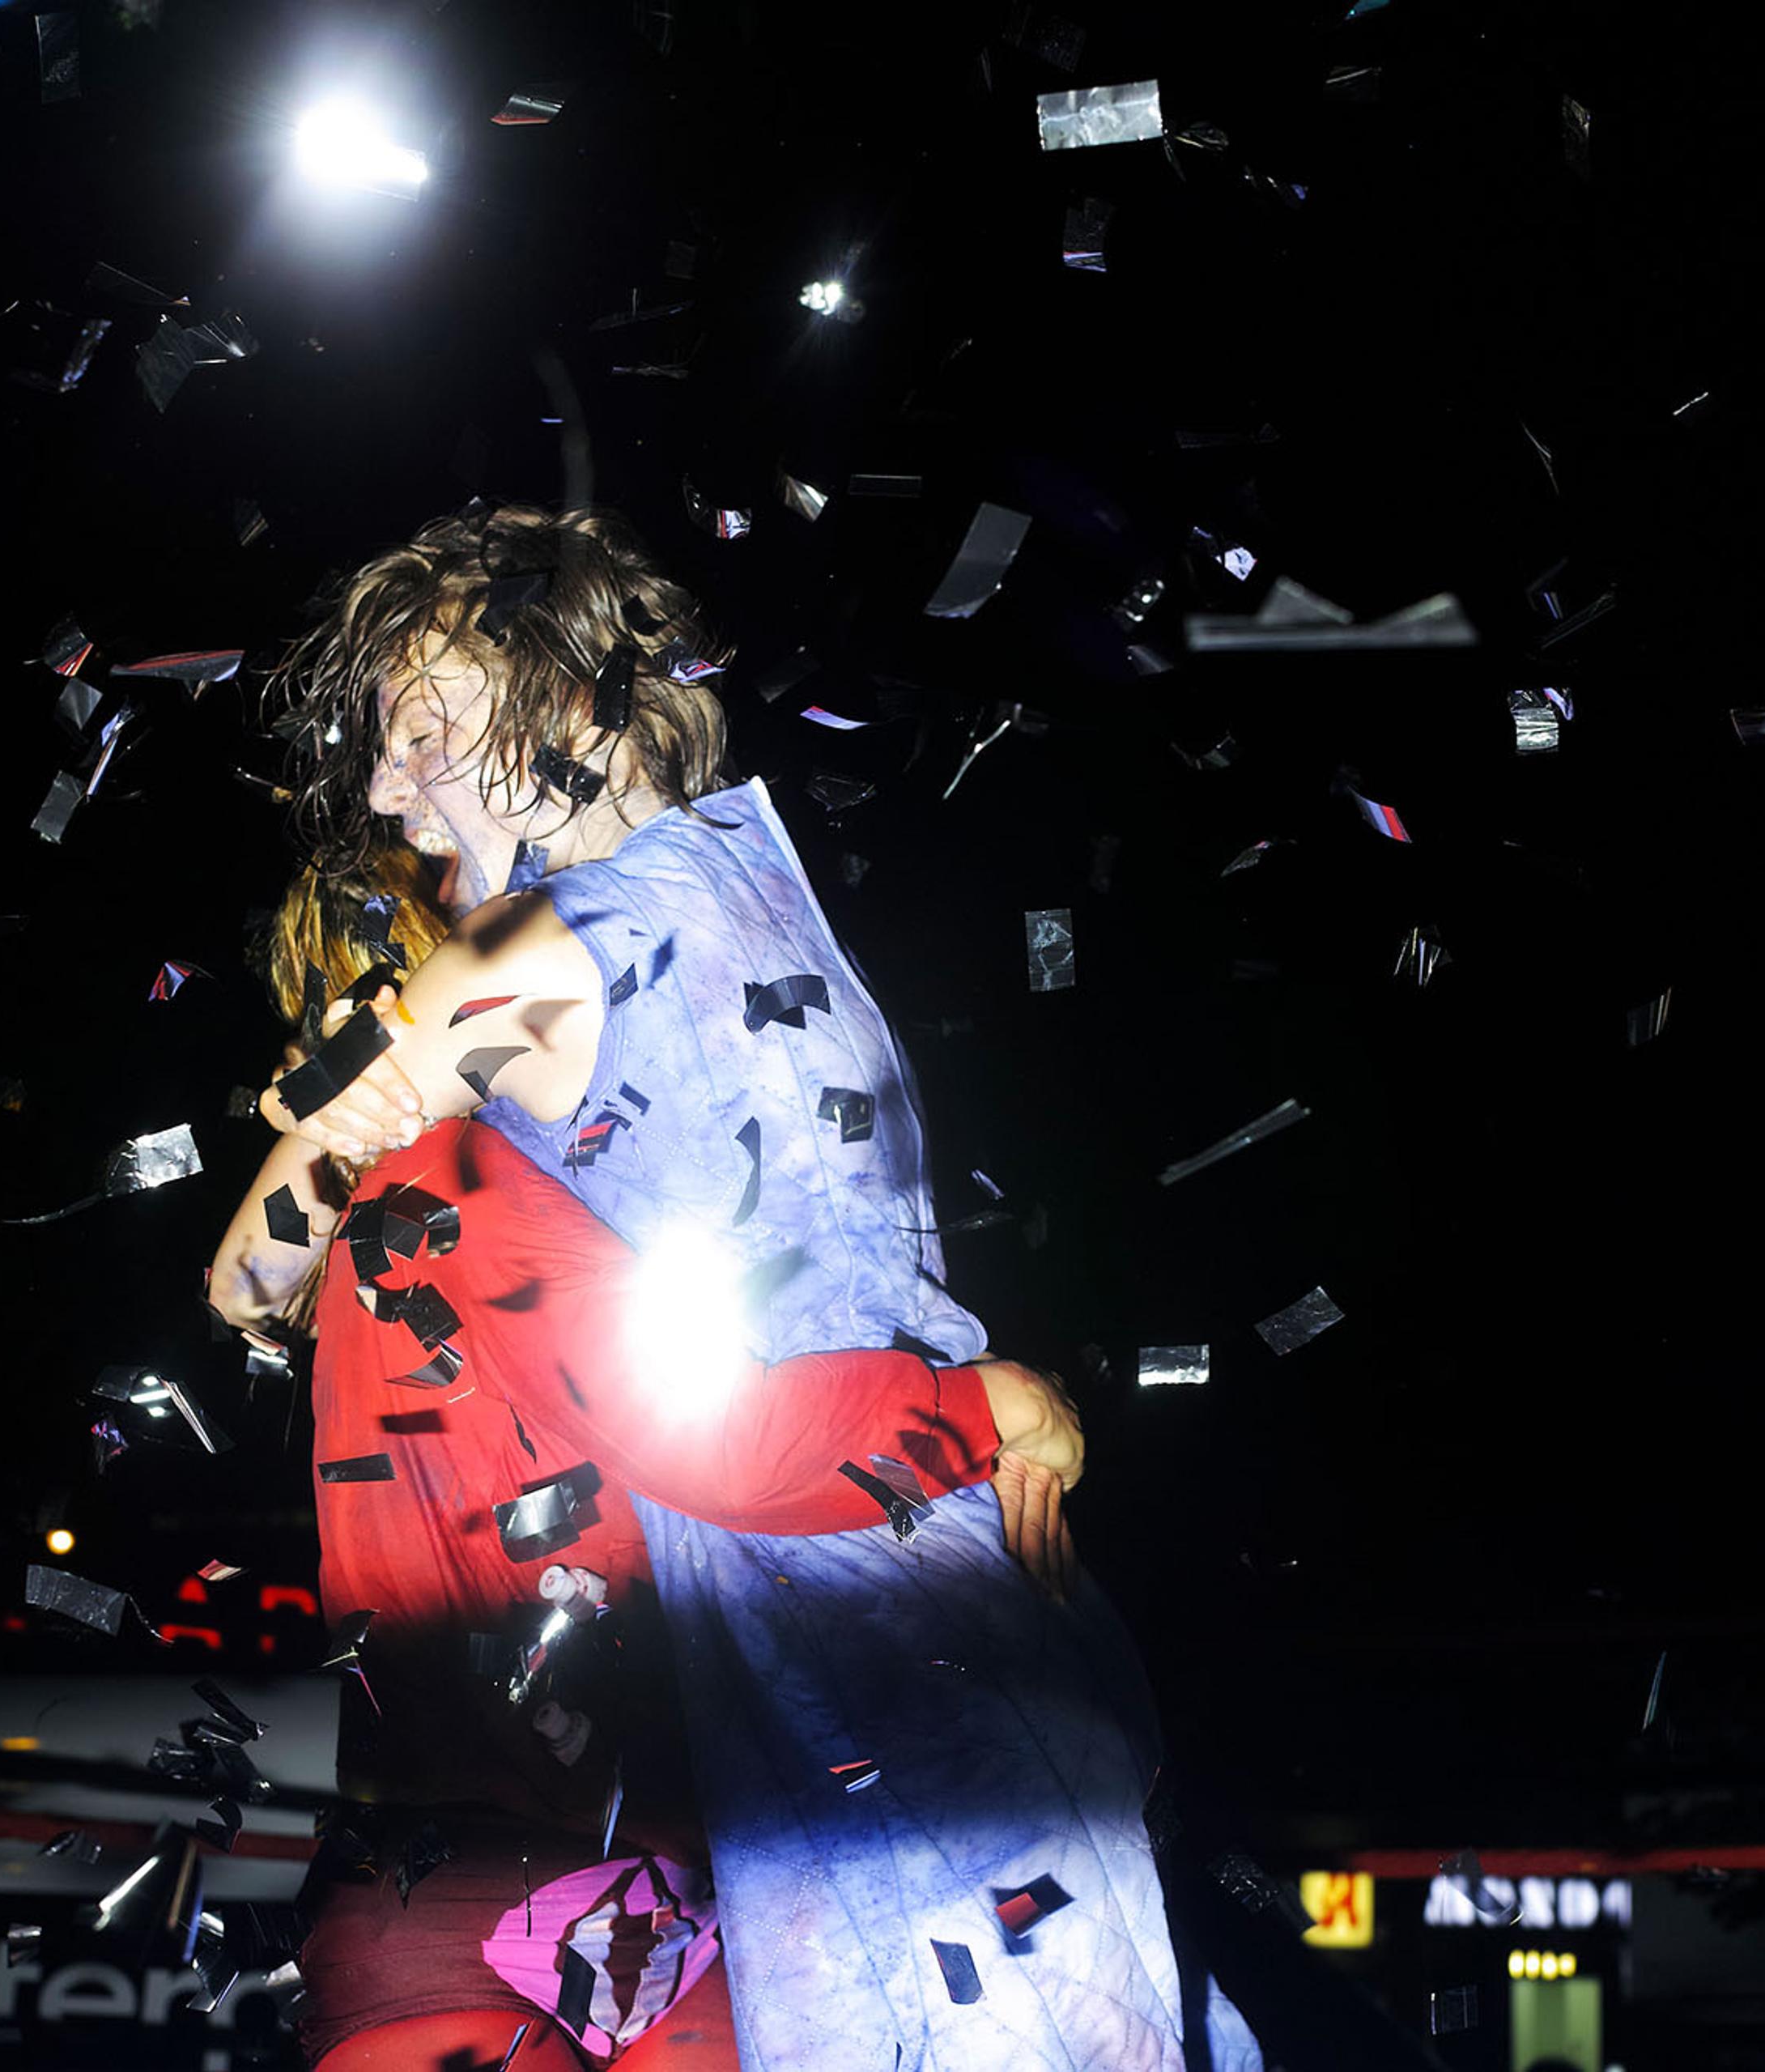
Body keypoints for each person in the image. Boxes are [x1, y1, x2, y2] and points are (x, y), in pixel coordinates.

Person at [259, 502, 1262, 2072]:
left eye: (426, 735)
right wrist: (987, 1403)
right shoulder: (477, 1145)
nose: (403, 793)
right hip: (664, 1805)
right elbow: (719, 1442)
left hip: (596, 1822)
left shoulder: (498, 1128)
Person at [207, 855, 1091, 2071]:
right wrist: (996, 1406)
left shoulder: (375, 1228)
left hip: (465, 1872)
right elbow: (724, 1445)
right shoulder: (460, 1183)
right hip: (558, 1864)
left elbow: (240, 1285)